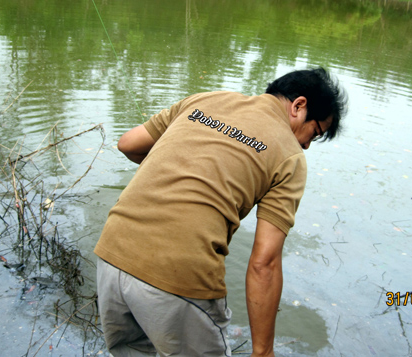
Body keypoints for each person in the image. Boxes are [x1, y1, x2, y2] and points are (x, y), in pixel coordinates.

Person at [94, 68, 347, 357]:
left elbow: (127, 143)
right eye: (314, 133)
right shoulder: (290, 156)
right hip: (178, 274)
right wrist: (263, 352)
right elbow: (264, 264)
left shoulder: (206, 100)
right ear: (298, 106)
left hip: (111, 255)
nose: (306, 144)